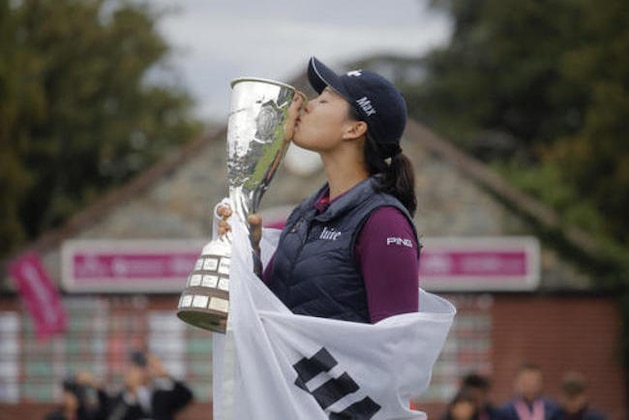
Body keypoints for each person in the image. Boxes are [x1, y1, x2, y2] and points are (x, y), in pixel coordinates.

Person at [218, 55, 420, 324]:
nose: (307, 106)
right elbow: (268, 314)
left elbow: (398, 344)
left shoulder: (384, 222)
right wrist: (250, 250)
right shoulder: (304, 215)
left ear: (355, 128)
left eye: (323, 100)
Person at [107, 350, 193, 420]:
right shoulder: (124, 397)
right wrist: (132, 394)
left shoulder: (161, 395)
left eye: (150, 366)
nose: (146, 371)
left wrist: (166, 375)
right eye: (139, 367)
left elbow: (187, 396)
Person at [496, 362, 562, 420]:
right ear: (517, 382)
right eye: (526, 380)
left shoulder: (552, 409)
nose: (530, 384)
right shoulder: (506, 411)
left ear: (541, 383)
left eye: (533, 380)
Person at [44, 370, 109, 420]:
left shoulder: (88, 416)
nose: (71, 396)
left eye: (76, 392)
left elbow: (106, 411)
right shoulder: (54, 417)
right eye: (68, 392)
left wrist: (94, 383)